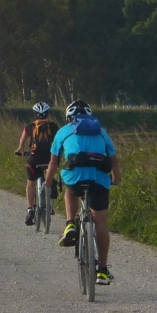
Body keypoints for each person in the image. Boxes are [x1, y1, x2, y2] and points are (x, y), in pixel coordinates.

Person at [45, 99, 121, 285]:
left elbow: (53, 163)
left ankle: (70, 223)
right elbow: (114, 160)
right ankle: (102, 270)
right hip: (99, 180)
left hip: (75, 179)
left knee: (70, 190)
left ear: (68, 117)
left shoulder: (63, 131)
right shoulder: (101, 131)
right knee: (100, 221)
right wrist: (116, 179)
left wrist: (48, 184)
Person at [14, 102, 60, 226]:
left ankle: (30, 210)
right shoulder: (53, 126)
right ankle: (51, 189)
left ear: (34, 114)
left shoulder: (30, 126)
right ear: (47, 113)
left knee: (31, 183)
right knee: (50, 172)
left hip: (34, 158)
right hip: (50, 157)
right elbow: (59, 141)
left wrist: (20, 149)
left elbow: (23, 140)